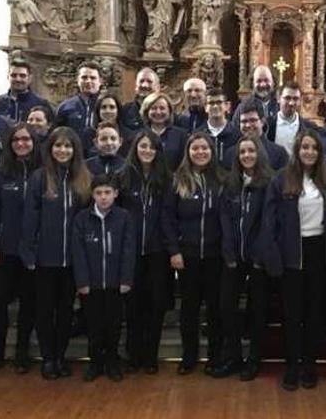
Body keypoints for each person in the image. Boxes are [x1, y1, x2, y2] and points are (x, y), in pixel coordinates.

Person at [21, 126, 92, 379]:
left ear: (75, 150)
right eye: (58, 146)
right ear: (50, 149)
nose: (63, 150)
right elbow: (30, 218)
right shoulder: (40, 177)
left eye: (68, 146)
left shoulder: (84, 179)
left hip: (72, 260)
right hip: (44, 258)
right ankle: (47, 358)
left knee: (65, 311)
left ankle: (60, 356)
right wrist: (28, 252)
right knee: (44, 310)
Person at [264, 129, 326, 391]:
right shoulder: (281, 179)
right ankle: (291, 365)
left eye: (314, 147)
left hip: (317, 252)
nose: (309, 152)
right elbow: (270, 222)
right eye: (305, 147)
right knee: (292, 314)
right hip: (291, 253)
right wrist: (273, 255)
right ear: (297, 149)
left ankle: (309, 365)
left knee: (314, 312)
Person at [162, 133, 225, 375]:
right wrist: (174, 250)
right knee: (189, 308)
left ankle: (214, 356)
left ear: (212, 151)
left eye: (205, 148)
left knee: (215, 308)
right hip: (186, 255)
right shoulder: (178, 179)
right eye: (195, 148)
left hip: (215, 255)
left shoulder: (222, 178)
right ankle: (189, 356)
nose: (200, 152)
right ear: (188, 152)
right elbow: (167, 218)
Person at [0, 123, 40, 374]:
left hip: (34, 251)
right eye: (16, 140)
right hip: (4, 249)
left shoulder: (44, 171)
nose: (21, 143)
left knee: (29, 302)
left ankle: (22, 352)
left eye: (26, 139)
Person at [214, 136, 274, 380]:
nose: (247, 155)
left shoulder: (270, 182)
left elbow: (269, 222)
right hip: (232, 258)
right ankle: (234, 356)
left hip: (259, 259)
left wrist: (259, 255)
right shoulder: (230, 183)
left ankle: (254, 359)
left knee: (258, 311)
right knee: (226, 307)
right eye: (242, 152)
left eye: (251, 151)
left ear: (259, 153)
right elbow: (225, 220)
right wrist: (229, 252)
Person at [72, 174, 135, 382]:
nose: (103, 197)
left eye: (108, 192)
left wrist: (126, 279)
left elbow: (128, 250)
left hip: (116, 284)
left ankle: (112, 362)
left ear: (115, 194)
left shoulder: (124, 217)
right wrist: (82, 282)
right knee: (94, 325)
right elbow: (78, 252)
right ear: (92, 195)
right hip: (92, 285)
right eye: (99, 193)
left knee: (114, 324)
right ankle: (95, 362)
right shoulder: (82, 218)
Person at [119, 131, 172, 374]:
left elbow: (169, 216)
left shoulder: (166, 178)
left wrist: (171, 247)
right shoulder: (123, 177)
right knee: (133, 306)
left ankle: (150, 355)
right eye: (143, 146)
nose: (147, 150)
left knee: (156, 304)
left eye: (152, 147)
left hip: (158, 251)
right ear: (135, 148)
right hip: (130, 252)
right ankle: (134, 354)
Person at [223, 100, 288, 171]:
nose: (248, 125)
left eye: (253, 120)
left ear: (262, 121)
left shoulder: (279, 154)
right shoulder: (230, 154)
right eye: (244, 121)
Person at [267, 81, 318, 156]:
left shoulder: (310, 127)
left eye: (295, 99)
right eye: (287, 98)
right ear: (278, 99)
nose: (291, 103)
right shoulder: (267, 125)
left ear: (300, 100)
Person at [140, 91, 188, 169]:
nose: (158, 112)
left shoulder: (181, 136)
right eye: (154, 108)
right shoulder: (139, 135)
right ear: (146, 111)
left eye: (162, 108)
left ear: (169, 111)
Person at [55, 61, 103, 137]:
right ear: (77, 80)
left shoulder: (108, 106)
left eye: (93, 78)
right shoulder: (65, 107)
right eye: (84, 77)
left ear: (100, 81)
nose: (88, 81)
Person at [82, 93, 135, 157]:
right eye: (103, 107)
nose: (108, 111)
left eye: (112, 107)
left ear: (118, 110)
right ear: (98, 111)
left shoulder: (129, 135)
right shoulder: (88, 134)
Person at [196, 88, 239, 162]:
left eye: (219, 102)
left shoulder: (237, 135)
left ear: (227, 106)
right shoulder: (197, 134)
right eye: (211, 103)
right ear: (205, 107)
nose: (215, 106)